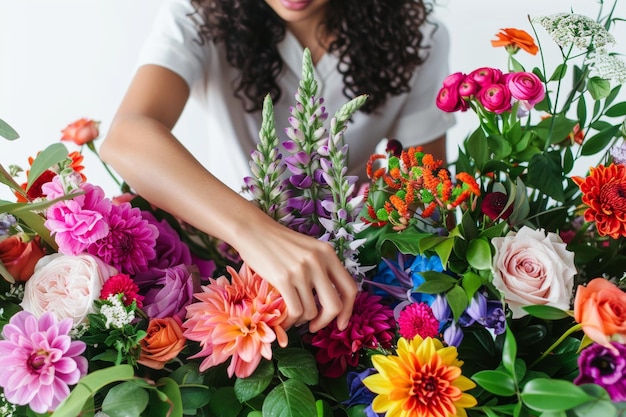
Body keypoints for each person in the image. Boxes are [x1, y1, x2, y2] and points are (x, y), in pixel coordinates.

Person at [99, 0, 455, 334]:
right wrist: (255, 233)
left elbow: (427, 201)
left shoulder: (421, 37)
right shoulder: (201, 12)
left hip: (350, 278)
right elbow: (126, 137)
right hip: (223, 271)